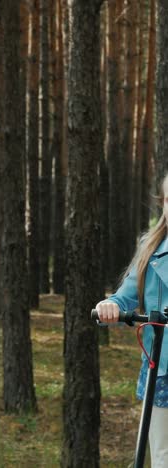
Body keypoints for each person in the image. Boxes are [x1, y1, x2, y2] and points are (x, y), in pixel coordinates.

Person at [97, 173, 168, 467]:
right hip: (162, 366)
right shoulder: (151, 247)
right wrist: (110, 304)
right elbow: (126, 294)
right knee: (163, 454)